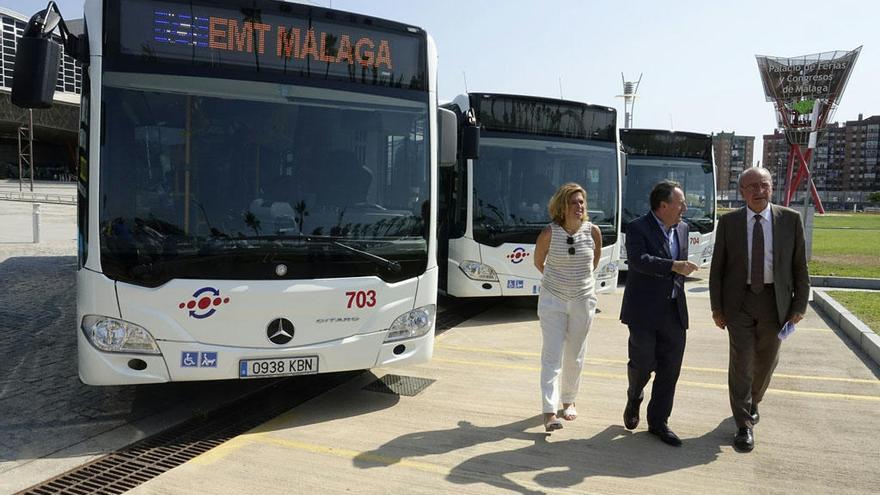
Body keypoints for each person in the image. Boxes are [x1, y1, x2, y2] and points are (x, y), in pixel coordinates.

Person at [709, 167, 809, 453]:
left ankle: (753, 401)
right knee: (741, 362)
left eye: (763, 185)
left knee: (767, 361)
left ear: (771, 187)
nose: (758, 190)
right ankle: (743, 425)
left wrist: (799, 305)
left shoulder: (790, 220)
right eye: (751, 186)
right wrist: (717, 307)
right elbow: (717, 270)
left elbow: (800, 267)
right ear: (742, 192)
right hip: (738, 303)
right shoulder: (729, 223)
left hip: (774, 302)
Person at [619, 180, 697, 446]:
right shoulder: (637, 227)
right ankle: (634, 394)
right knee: (643, 365)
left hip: (674, 311)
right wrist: (674, 265)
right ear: (663, 205)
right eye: (680, 202)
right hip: (643, 313)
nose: (685, 207)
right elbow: (639, 261)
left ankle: (658, 422)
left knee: (670, 370)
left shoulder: (683, 228)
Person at [533, 183, 602, 432]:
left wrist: (577, 284)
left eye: (582, 202)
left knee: (576, 354)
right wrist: (559, 282)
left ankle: (569, 400)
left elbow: (594, 263)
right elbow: (539, 262)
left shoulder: (593, 232)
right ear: (562, 206)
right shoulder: (549, 233)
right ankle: (549, 412)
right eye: (574, 202)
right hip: (553, 300)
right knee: (552, 356)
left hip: (583, 299)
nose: (580, 206)